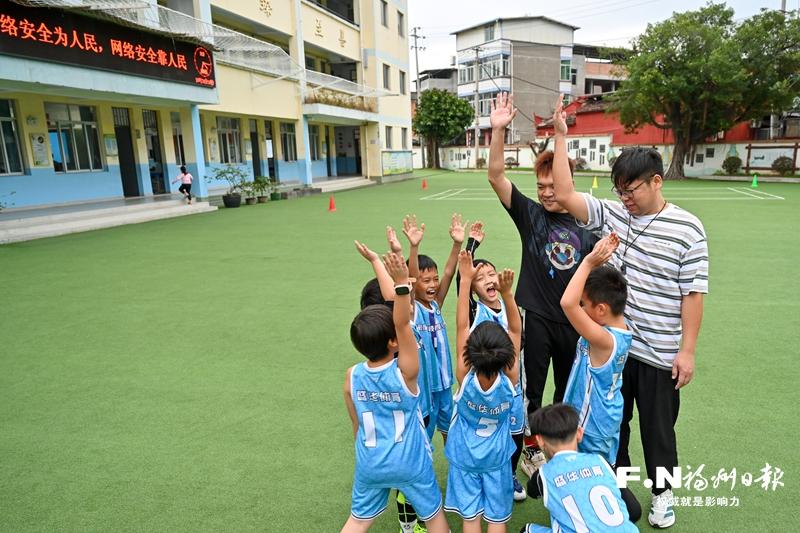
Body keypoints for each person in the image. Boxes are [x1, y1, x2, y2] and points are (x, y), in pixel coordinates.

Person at [550, 93, 709, 528]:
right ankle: (613, 490)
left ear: (656, 181)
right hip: (613, 354)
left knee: (659, 432)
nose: (625, 199)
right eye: (619, 190)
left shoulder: (688, 228)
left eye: (631, 189)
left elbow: (692, 294)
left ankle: (662, 496)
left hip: (659, 352)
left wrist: (687, 351)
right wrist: (563, 137)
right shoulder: (612, 215)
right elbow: (564, 193)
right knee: (613, 431)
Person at [487, 93, 598, 476]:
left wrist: (562, 135)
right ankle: (525, 459)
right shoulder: (530, 215)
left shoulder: (589, 224)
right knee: (528, 393)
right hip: (534, 319)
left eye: (553, 185)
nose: (546, 192)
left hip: (575, 323)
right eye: (541, 185)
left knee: (567, 395)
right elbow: (496, 176)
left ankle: (564, 462)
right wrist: (497, 131)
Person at [341, 252, 449, 533]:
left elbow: (357, 426)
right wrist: (401, 282)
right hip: (409, 462)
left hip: (370, 461)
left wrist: (379, 265)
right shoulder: (405, 374)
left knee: (357, 520)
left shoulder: (351, 377)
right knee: (435, 517)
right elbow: (403, 323)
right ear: (393, 342)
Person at [556, 233, 641, 521]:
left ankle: (600, 517)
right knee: (598, 470)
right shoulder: (619, 325)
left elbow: (566, 303)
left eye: (586, 305)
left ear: (601, 310)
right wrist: (601, 262)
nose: (581, 309)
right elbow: (605, 288)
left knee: (586, 476)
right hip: (604, 417)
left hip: (592, 424)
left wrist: (590, 260)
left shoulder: (603, 339)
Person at [444, 251, 521, 533]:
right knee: (497, 519)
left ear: (470, 351)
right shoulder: (510, 379)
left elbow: (462, 324)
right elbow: (515, 328)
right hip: (497, 457)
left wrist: (465, 281)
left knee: (470, 518)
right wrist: (508, 295)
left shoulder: (464, 377)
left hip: (464, 455)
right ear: (508, 354)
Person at [457, 223, 527, 503]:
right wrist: (471, 248)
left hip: (512, 389)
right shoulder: (476, 310)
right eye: (480, 277)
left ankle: (508, 474)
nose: (488, 278)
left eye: (490, 274)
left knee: (515, 436)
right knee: (488, 438)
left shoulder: (511, 310)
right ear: (473, 289)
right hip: (485, 391)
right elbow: (462, 288)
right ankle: (484, 473)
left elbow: (518, 332)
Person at [519, 404, 638, 533]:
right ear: (580, 433)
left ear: (540, 441)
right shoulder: (601, 461)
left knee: (527, 530)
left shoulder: (542, 475)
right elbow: (635, 510)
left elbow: (532, 492)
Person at [408, 213, 465, 442]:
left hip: (444, 385)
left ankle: (455, 467)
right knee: (425, 434)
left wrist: (457, 244)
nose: (433, 284)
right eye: (426, 280)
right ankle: (423, 468)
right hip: (426, 387)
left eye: (434, 279)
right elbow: (410, 280)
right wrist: (414, 248)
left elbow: (450, 272)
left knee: (449, 431)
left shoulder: (435, 304)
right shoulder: (412, 310)